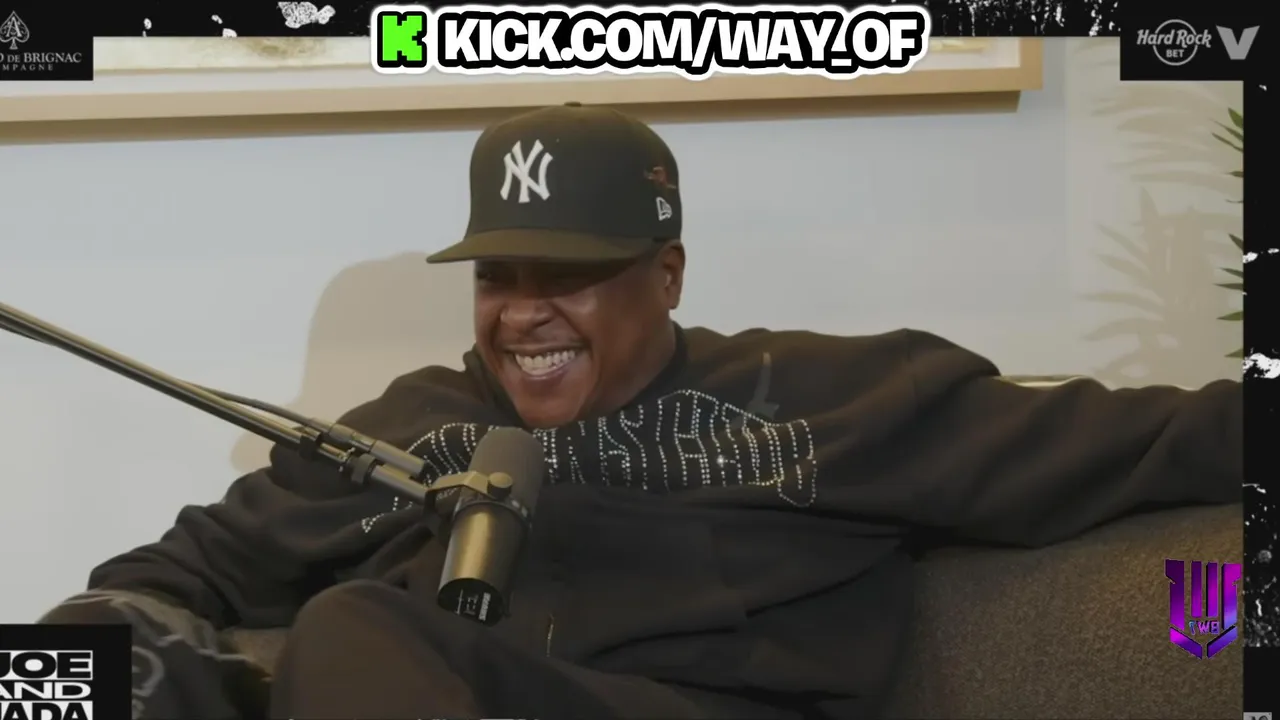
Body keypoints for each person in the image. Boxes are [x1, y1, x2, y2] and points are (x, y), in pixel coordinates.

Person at [42, 103, 1241, 720]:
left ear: (665, 276)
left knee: (353, 627)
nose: (523, 312)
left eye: (565, 275)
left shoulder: (832, 399)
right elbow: (171, 573)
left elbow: (1163, 440)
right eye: (497, 276)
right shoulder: (410, 427)